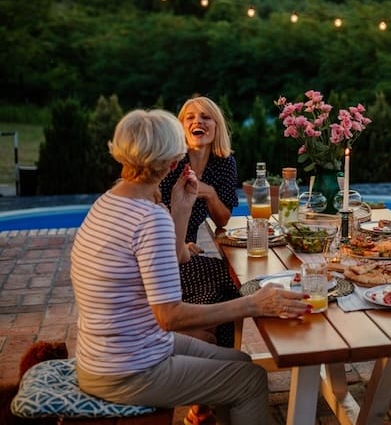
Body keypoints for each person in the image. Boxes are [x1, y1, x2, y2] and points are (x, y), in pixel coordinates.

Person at [70, 109, 310, 425]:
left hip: (107, 350)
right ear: (172, 163)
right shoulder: (149, 218)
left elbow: (171, 261)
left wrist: (180, 209)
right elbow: (170, 317)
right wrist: (254, 303)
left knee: (238, 359)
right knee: (250, 379)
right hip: (127, 369)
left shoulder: (109, 201)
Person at [159, 96, 241, 350]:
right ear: (181, 127)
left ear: (216, 126)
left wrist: (209, 193)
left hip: (186, 255)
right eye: (190, 118)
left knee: (232, 282)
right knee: (230, 279)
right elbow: (152, 213)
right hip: (163, 257)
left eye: (206, 117)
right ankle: (216, 353)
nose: (198, 122)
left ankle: (221, 355)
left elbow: (223, 219)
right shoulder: (170, 162)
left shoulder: (224, 163)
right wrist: (181, 243)